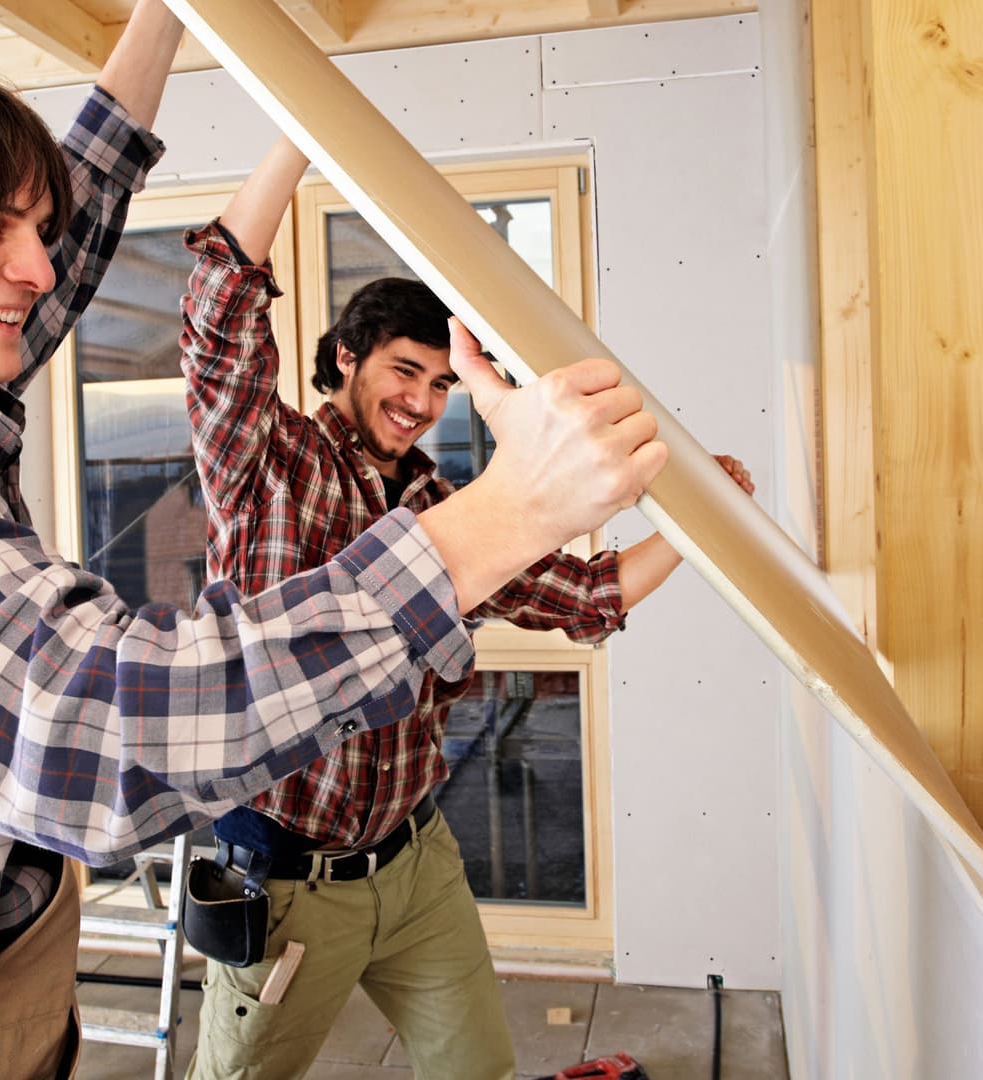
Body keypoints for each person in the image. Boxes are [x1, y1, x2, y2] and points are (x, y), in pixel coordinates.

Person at [0, 4, 669, 1075]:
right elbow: (109, 729)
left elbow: (74, 218)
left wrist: (164, 12)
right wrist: (509, 509)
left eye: (35, 225)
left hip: (328, 875)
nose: (34, 265)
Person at [178, 138, 755, 1080]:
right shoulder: (269, 466)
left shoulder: (449, 512)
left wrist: (700, 523)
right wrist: (298, 135)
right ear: (343, 360)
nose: (423, 401)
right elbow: (219, 321)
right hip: (290, 882)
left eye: (443, 384)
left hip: (416, 866)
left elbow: (585, 597)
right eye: (405, 371)